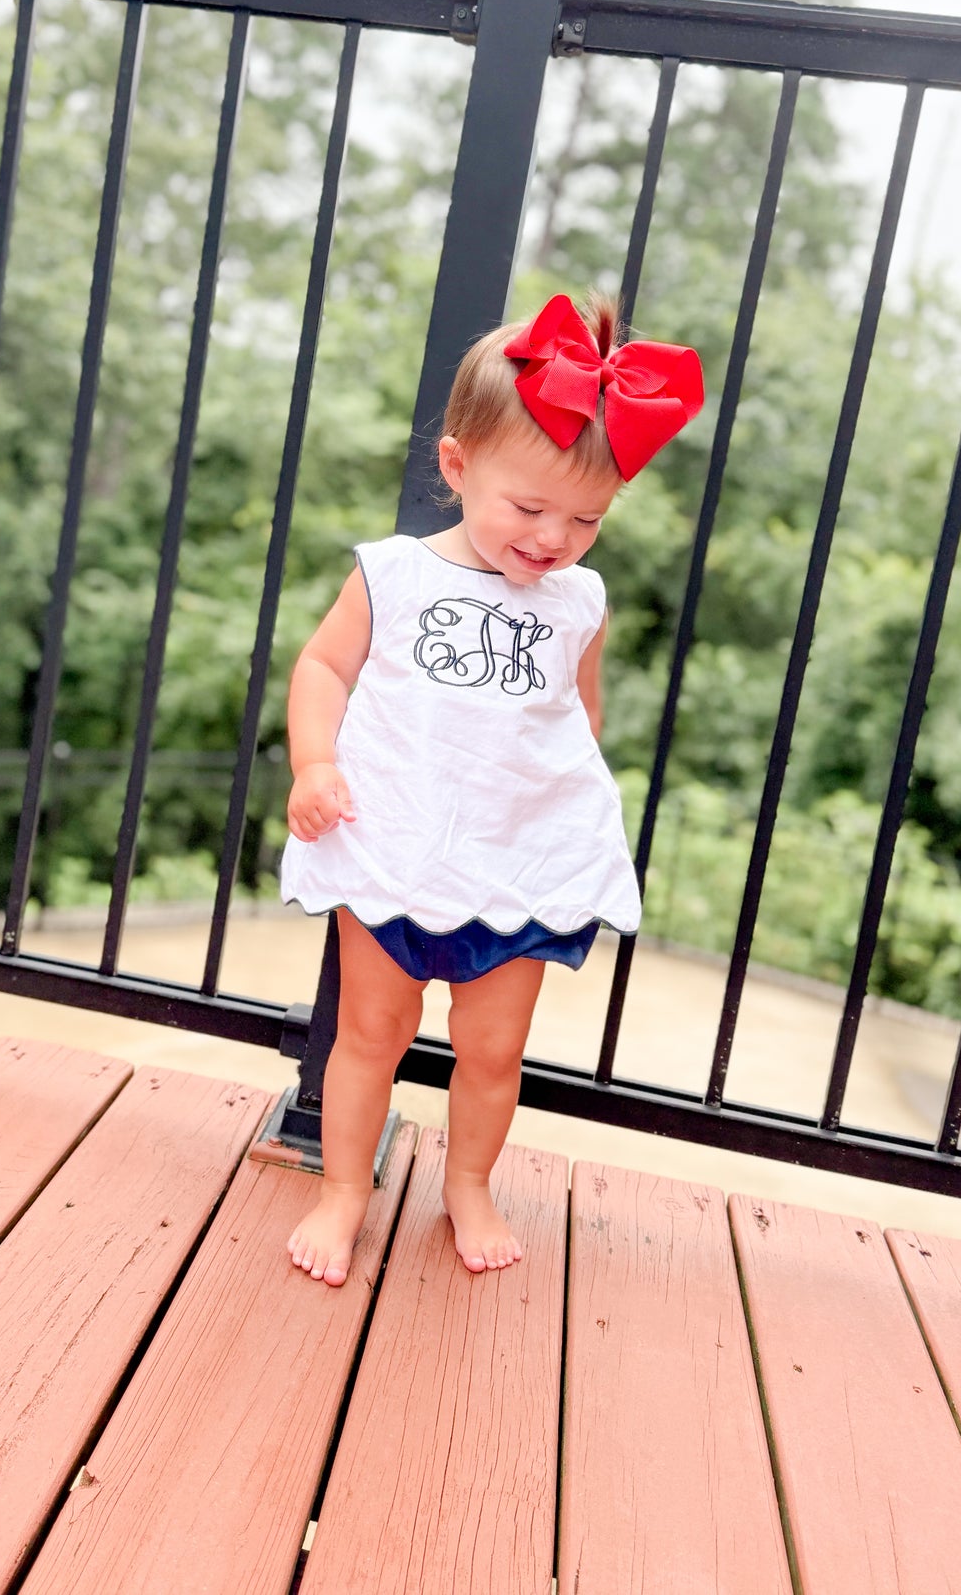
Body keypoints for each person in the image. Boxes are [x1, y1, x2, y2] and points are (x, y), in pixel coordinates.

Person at [278, 291, 704, 1285]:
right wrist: (314, 764)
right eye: (528, 507)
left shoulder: (578, 600)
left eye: (585, 518)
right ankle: (343, 1189)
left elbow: (577, 717)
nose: (553, 537)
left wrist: (547, 803)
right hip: (396, 843)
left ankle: (467, 1182)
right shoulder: (393, 576)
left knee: (493, 1047)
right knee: (368, 1035)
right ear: (458, 467)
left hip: (514, 857)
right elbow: (321, 670)